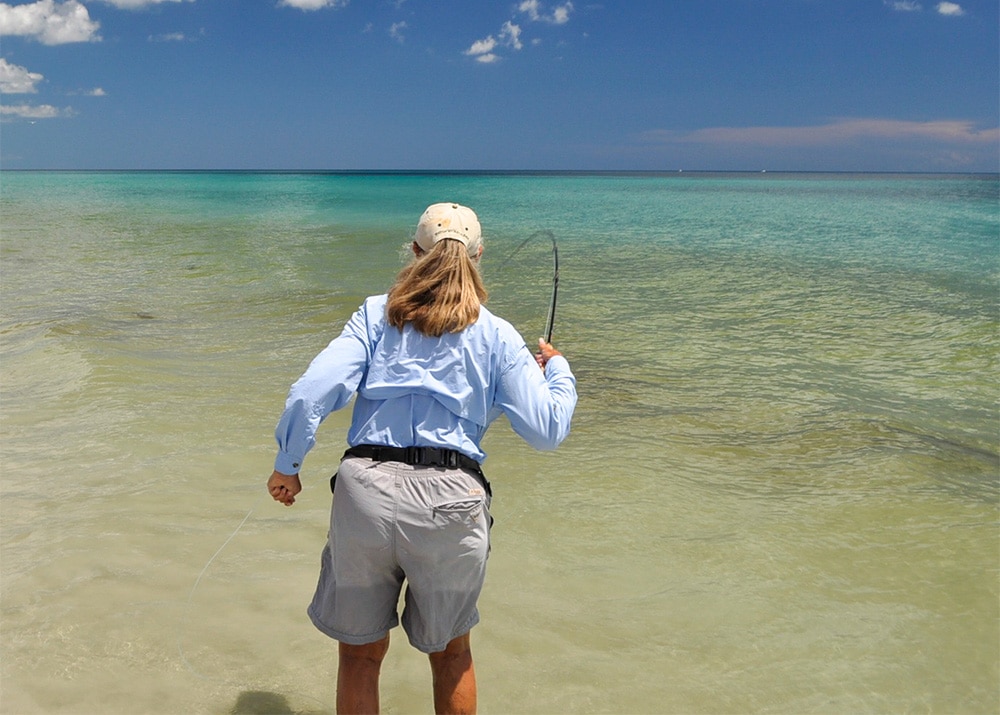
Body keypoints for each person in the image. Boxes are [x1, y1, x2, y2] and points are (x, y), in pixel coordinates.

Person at [266, 203, 577, 714]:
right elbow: (547, 431)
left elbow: (311, 391)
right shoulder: (498, 334)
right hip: (452, 499)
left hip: (365, 492)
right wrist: (557, 372)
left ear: (414, 251)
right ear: (478, 255)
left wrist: (288, 464)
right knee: (452, 654)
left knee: (359, 655)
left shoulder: (375, 314)